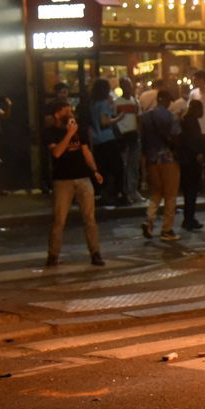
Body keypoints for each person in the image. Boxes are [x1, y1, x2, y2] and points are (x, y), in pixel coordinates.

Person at [45, 100, 104, 267]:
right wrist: (69, 134)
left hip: (83, 178)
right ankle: (53, 255)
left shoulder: (79, 129)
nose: (70, 113)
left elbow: (86, 152)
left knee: (90, 218)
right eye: (66, 110)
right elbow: (56, 153)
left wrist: (94, 171)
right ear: (57, 114)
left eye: (70, 110)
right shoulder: (51, 132)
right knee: (59, 220)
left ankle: (95, 253)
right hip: (63, 180)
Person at [140, 89, 181, 242]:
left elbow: (143, 141)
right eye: (169, 100)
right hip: (168, 159)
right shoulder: (171, 116)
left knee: (156, 192)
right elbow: (176, 136)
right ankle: (167, 229)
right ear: (163, 99)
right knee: (170, 195)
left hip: (152, 160)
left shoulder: (145, 117)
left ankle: (149, 220)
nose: (170, 103)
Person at [89, 78, 122, 205]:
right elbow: (104, 121)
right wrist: (118, 118)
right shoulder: (103, 103)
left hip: (96, 140)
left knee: (102, 168)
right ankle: (114, 194)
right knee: (115, 167)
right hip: (107, 138)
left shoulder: (93, 104)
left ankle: (102, 193)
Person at [113, 77, 143, 205]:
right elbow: (113, 119)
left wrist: (138, 132)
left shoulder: (135, 101)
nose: (128, 88)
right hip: (123, 137)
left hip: (133, 136)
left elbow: (139, 118)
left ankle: (133, 191)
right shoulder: (116, 102)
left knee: (134, 165)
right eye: (126, 85)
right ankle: (126, 192)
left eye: (129, 85)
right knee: (124, 165)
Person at [179, 100, 205, 231]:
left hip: (185, 161)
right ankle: (189, 219)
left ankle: (188, 218)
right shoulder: (192, 122)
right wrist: (198, 153)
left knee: (188, 192)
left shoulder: (185, 120)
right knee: (191, 192)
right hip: (191, 161)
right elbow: (193, 141)